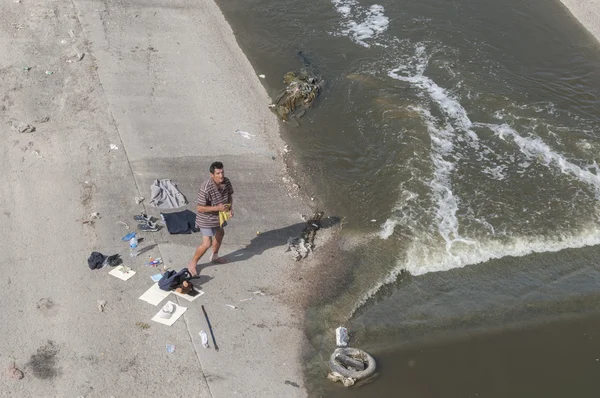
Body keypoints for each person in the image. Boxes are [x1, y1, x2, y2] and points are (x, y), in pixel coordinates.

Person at [188, 161, 234, 276]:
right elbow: (200, 208)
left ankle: (214, 256)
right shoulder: (206, 187)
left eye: (222, 172)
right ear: (212, 175)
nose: (221, 176)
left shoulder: (226, 182)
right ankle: (192, 263)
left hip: (220, 216)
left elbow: (229, 197)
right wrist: (217, 207)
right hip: (206, 218)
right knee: (206, 243)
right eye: (218, 173)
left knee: (220, 234)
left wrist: (230, 209)